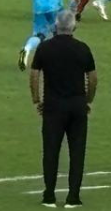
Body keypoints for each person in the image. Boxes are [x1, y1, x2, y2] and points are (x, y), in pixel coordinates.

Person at [30, 10, 97, 208]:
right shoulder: (83, 48)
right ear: (73, 26)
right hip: (77, 105)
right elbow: (92, 78)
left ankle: (49, 195)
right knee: (77, 152)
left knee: (50, 150)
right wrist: (87, 100)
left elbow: (34, 75)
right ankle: (73, 197)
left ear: (56, 26)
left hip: (52, 105)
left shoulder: (45, 48)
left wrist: (37, 99)